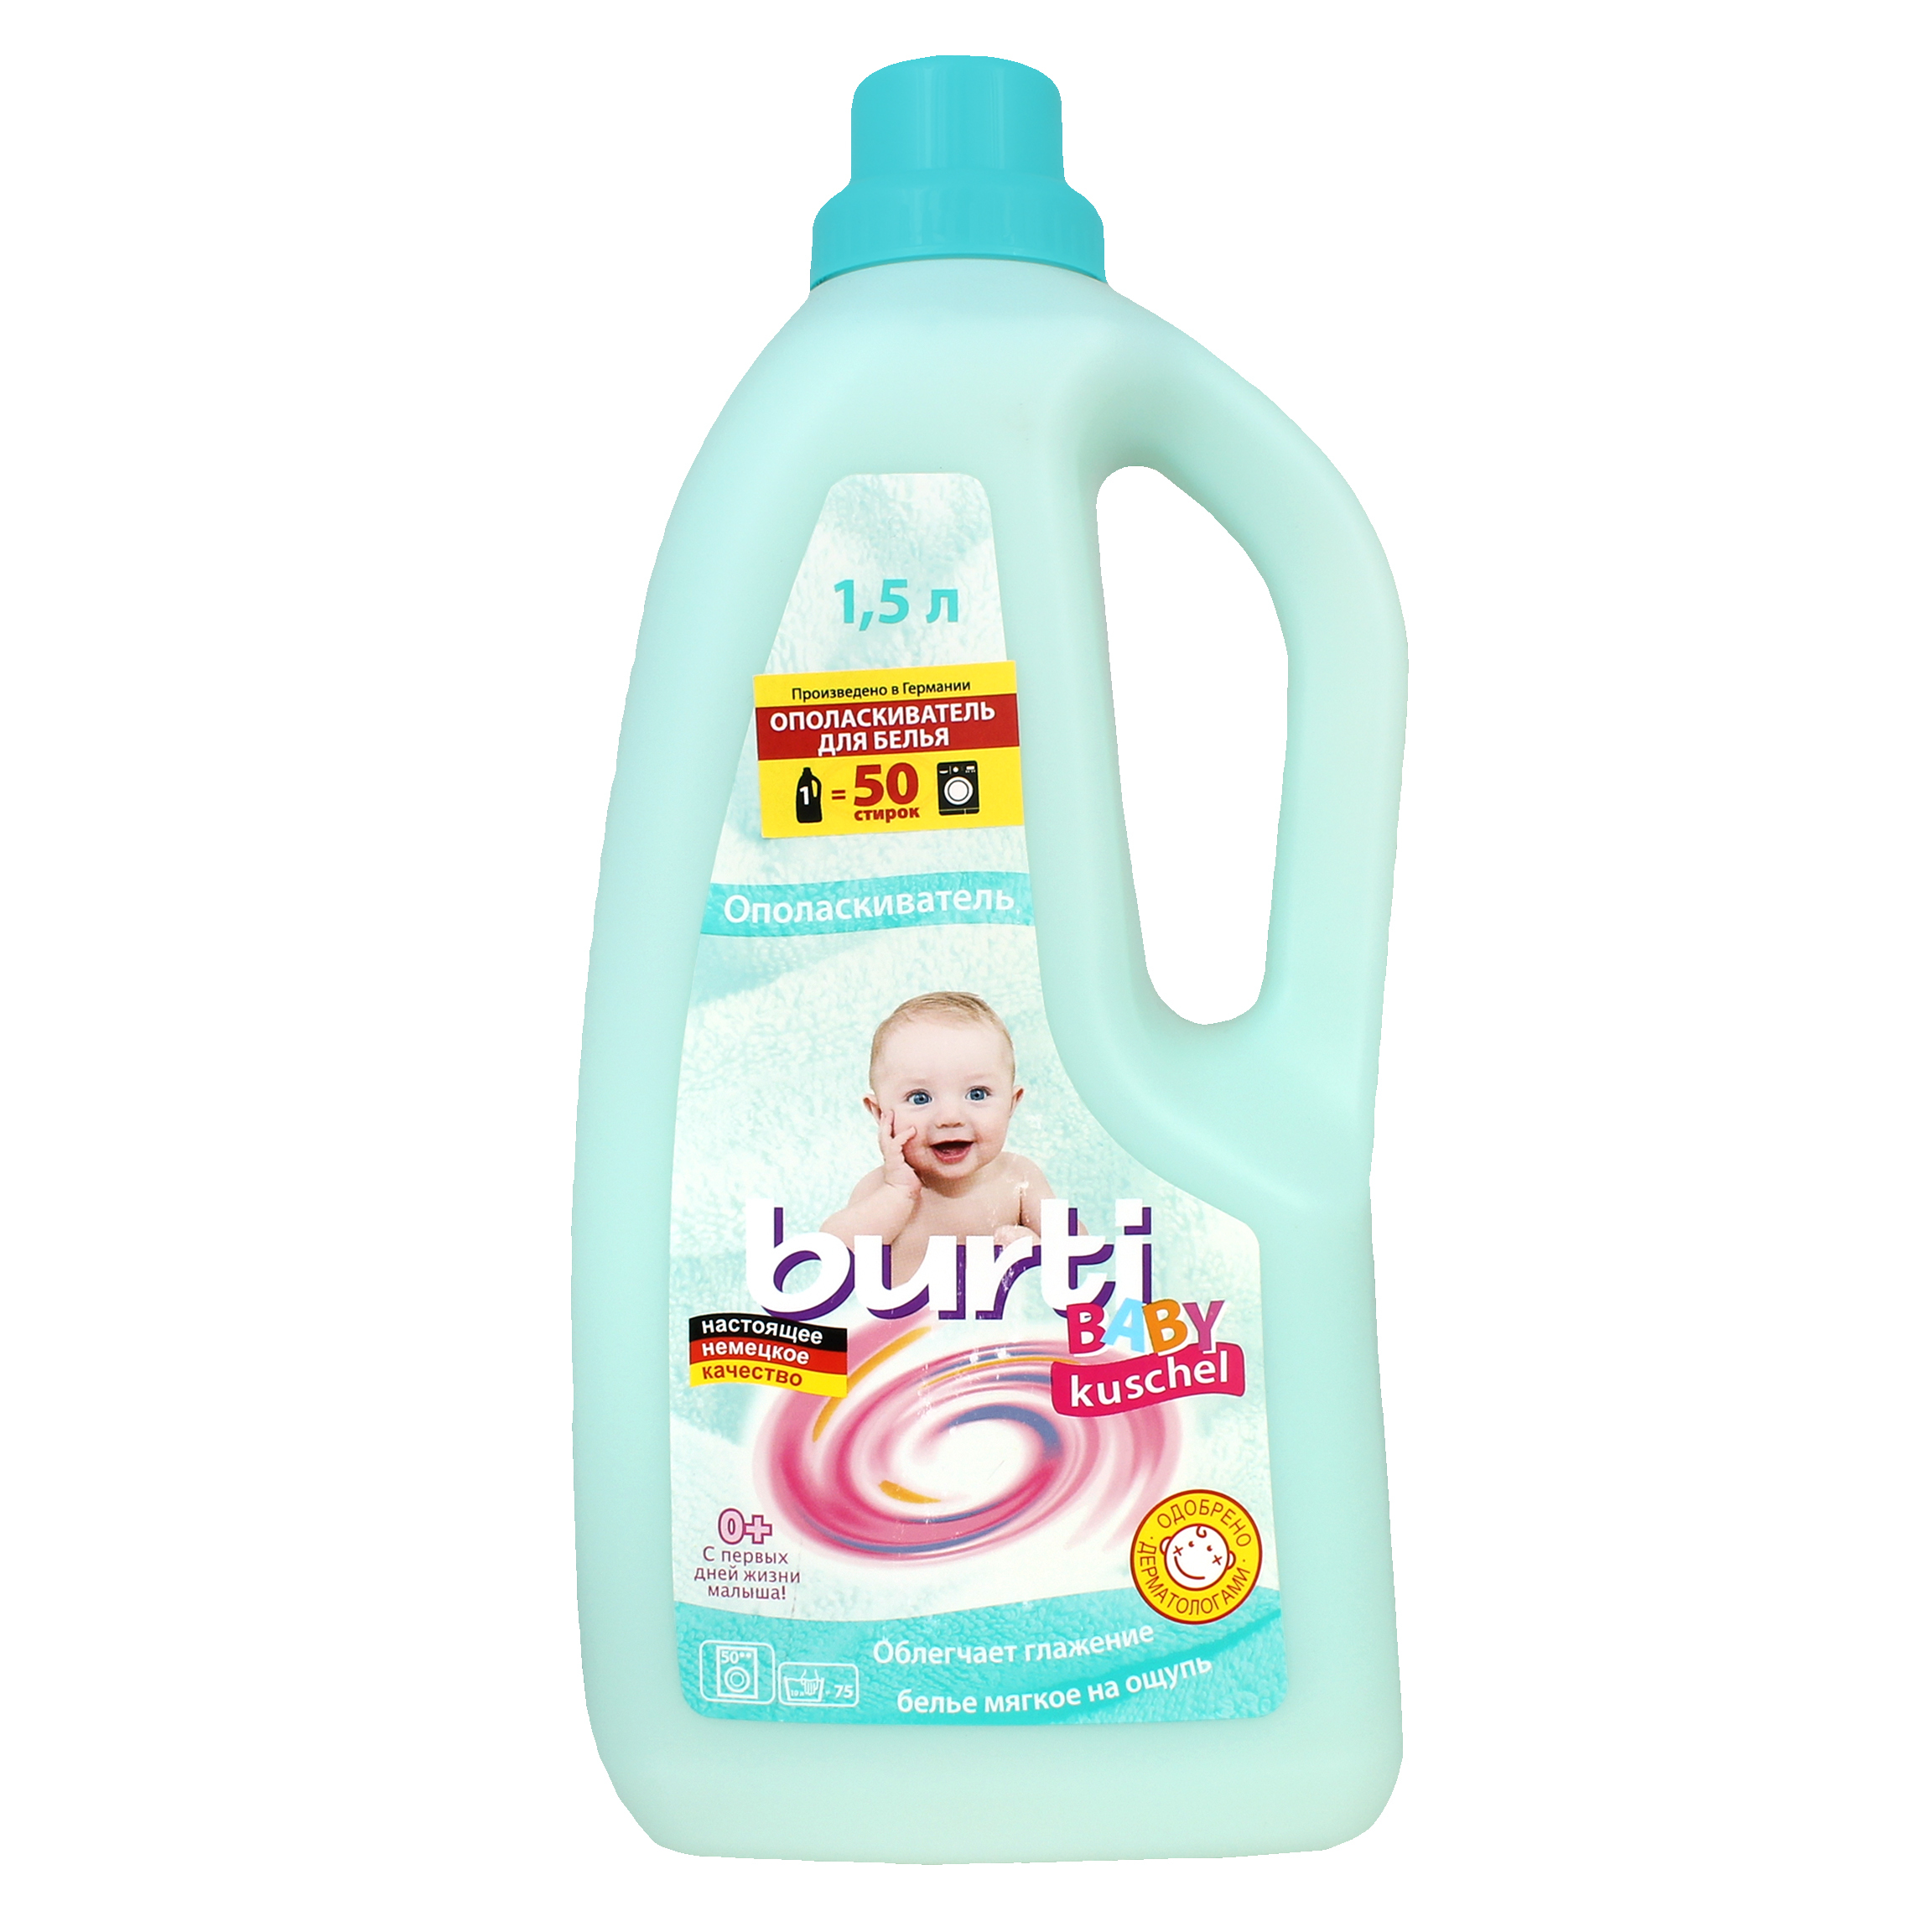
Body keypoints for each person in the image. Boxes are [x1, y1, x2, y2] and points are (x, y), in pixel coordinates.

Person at [823, 991, 1054, 1284]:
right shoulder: (881, 1188)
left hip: (1001, 1315)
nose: (950, 1117)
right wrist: (898, 1193)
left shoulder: (1019, 1177)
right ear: (880, 1114)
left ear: (1012, 1103)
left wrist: (1037, 1250)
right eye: (920, 1098)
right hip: (912, 1316)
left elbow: (1081, 1251)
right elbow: (830, 1252)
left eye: (977, 1094)